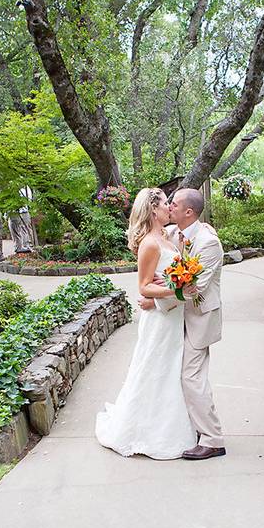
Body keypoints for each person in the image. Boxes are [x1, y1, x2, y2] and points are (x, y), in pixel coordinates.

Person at [95, 188, 197, 460]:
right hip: (159, 321)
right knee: (154, 369)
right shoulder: (150, 244)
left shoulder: (166, 236)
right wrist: (177, 291)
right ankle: (145, 432)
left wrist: (178, 284)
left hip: (171, 317)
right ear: (153, 210)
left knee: (170, 370)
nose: (170, 208)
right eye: (166, 204)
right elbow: (143, 287)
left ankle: (168, 424)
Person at [142, 187, 226, 460]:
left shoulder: (207, 242)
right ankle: (192, 429)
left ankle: (213, 439)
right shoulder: (170, 235)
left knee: (191, 377)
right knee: (175, 375)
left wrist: (155, 301)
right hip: (176, 319)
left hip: (199, 317)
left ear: (188, 212)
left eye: (174, 204)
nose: (169, 207)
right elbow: (159, 265)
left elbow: (195, 287)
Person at [7, 187, 34, 254]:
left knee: (16, 230)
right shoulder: (26, 187)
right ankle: (26, 247)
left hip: (15, 211)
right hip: (24, 211)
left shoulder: (10, 185)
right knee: (25, 230)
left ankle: (19, 247)